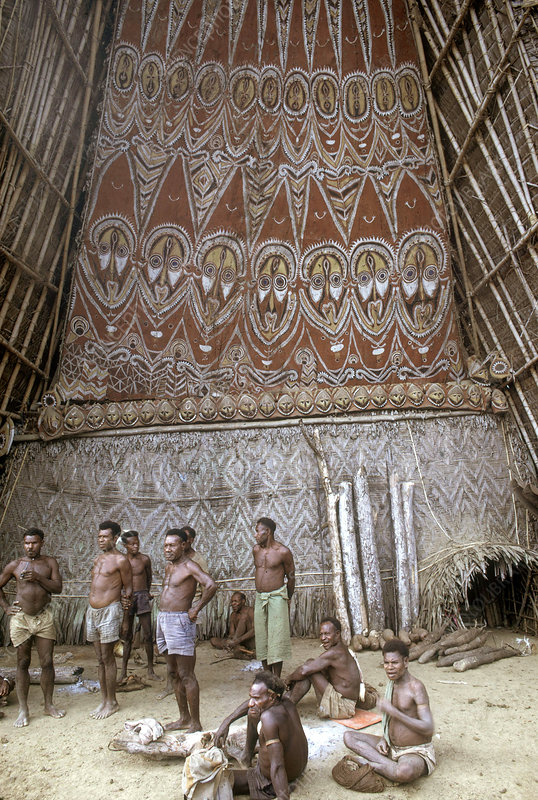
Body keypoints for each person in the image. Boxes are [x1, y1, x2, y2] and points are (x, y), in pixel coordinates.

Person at [343, 638, 435, 784]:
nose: (389, 667)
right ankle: (387, 765)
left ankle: (372, 765)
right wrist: (384, 739)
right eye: (386, 663)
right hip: (391, 748)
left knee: (404, 772)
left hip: (413, 751)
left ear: (406, 662)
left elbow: (428, 728)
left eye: (395, 663)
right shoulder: (392, 684)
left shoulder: (416, 688)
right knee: (349, 737)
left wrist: (394, 712)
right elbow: (390, 723)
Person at [0, 528, 64, 727]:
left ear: (42, 542)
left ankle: (48, 705)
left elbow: (58, 588)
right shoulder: (15, 565)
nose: (30, 547)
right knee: (22, 662)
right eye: (27, 543)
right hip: (21, 619)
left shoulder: (49, 562)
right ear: (23, 543)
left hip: (43, 617)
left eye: (34, 543)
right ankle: (23, 710)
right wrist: (6, 607)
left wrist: (38, 578)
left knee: (47, 662)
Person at [157, 528, 216, 732]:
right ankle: (184, 718)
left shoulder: (190, 566)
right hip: (164, 620)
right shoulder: (169, 567)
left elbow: (211, 585)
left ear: (183, 545)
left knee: (186, 674)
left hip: (179, 622)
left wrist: (196, 608)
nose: (168, 549)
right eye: (165, 545)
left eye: (172, 545)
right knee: (173, 673)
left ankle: (196, 722)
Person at [214, 670, 308, 800]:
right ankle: (246, 757)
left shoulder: (269, 717)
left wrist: (282, 796)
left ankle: (250, 762)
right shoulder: (286, 702)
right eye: (251, 697)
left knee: (214, 781)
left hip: (271, 780)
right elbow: (251, 703)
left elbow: (278, 765)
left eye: (256, 698)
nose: (250, 703)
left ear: (272, 697)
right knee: (251, 713)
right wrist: (227, 721)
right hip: (298, 769)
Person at [86, 520, 132, 719]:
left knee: (107, 657)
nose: (101, 540)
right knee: (99, 659)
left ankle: (112, 702)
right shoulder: (98, 559)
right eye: (99, 536)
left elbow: (129, 589)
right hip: (93, 612)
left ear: (115, 538)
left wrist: (125, 617)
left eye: (105, 537)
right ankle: (104, 700)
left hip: (110, 611)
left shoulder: (121, 560)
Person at [285, 616, 370, 719]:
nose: (323, 638)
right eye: (321, 634)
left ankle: (287, 704)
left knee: (309, 669)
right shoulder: (341, 649)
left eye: (327, 634)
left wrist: (288, 679)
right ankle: (288, 701)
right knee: (310, 665)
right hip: (345, 703)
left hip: (343, 707)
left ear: (337, 634)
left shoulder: (335, 653)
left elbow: (303, 671)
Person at [253, 517, 295, 677]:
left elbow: (291, 577)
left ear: (267, 531)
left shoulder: (283, 552)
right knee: (262, 637)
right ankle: (266, 675)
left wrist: (288, 598)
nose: (255, 535)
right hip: (260, 597)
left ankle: (276, 678)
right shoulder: (256, 550)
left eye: (258, 531)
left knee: (277, 637)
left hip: (277, 597)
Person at [118, 530, 160, 683]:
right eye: (132, 544)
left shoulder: (144, 559)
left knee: (148, 634)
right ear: (125, 546)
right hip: (128, 598)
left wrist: (146, 592)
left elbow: (149, 578)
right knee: (127, 635)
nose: (135, 546)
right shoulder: (122, 561)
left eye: (137, 543)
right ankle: (123, 671)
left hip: (142, 596)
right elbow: (118, 582)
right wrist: (122, 597)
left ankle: (150, 670)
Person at [210, 591, 255, 656]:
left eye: (236, 601)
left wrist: (237, 641)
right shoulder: (233, 615)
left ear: (243, 601)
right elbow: (232, 633)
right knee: (213, 640)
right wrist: (229, 641)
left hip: (249, 642)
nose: (233, 604)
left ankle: (235, 647)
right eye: (232, 602)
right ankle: (237, 647)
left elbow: (254, 631)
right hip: (238, 642)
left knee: (244, 617)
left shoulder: (250, 611)